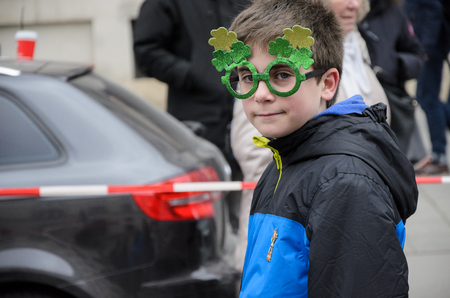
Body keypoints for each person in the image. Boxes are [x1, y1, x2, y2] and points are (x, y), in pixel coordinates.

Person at [209, 0, 418, 296]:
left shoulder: (344, 184)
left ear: (327, 84)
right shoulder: (285, 157)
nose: (261, 94)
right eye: (246, 78)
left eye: (282, 75)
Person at [133, 0, 250, 232]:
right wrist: (194, 75)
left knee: (245, 209)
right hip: (196, 123)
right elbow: (146, 51)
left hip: (244, 118)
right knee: (202, 220)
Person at [359, 0, 426, 162]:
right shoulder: (338, 13)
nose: (352, 6)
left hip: (389, 105)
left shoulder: (394, 12)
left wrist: (395, 64)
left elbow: (416, 54)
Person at [405, 0, 450, 175]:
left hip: (430, 48)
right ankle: (438, 154)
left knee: (428, 99)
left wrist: (426, 47)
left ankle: (439, 155)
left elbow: (433, 8)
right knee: (425, 98)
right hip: (432, 45)